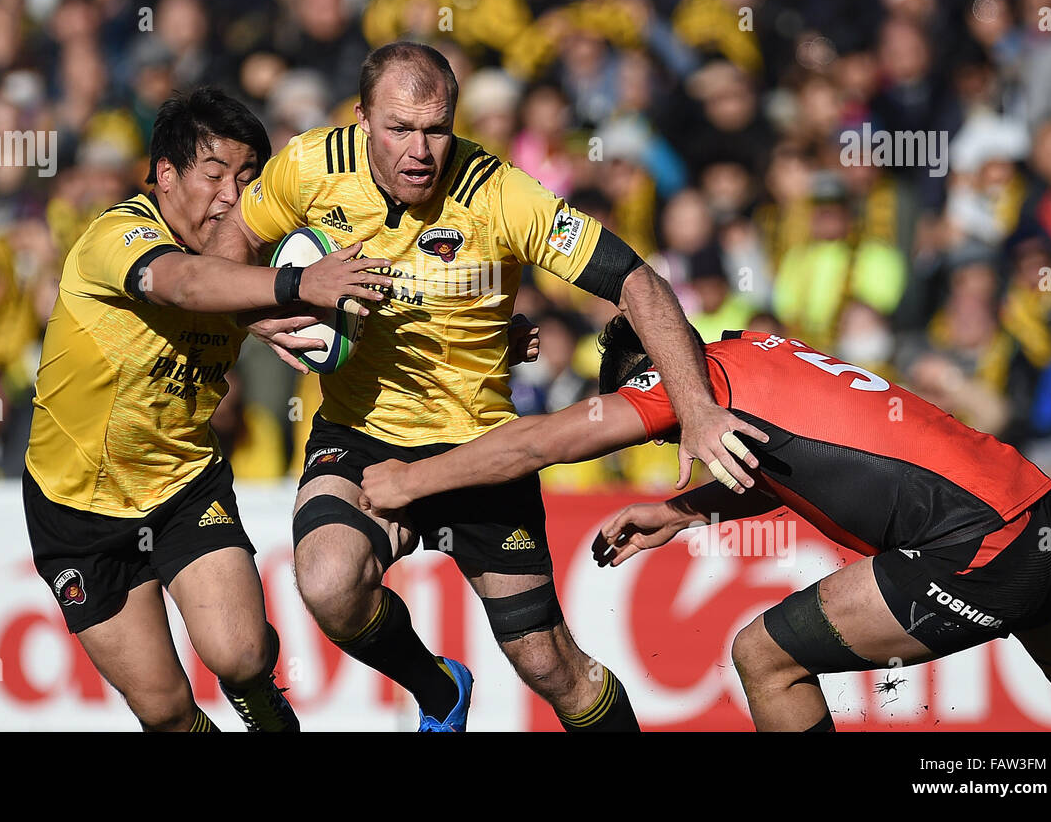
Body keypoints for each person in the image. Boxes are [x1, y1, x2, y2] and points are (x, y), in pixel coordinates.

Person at [208, 41, 766, 731]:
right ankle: (438, 688)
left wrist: (698, 408)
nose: (420, 149)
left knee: (552, 668)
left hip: (483, 449)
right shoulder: (309, 165)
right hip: (359, 433)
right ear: (360, 121)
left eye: (436, 129)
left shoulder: (500, 193)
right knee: (327, 584)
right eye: (399, 128)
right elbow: (229, 239)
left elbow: (637, 280)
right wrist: (266, 316)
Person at [361, 317, 1051, 730]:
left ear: (649, 373)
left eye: (653, 426)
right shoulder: (759, 352)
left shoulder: (688, 379)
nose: (661, 436)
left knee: (765, 656)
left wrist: (410, 478)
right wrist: (681, 509)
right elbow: (797, 459)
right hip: (1039, 513)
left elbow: (542, 441)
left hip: (976, 545)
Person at [22, 86, 392, 732]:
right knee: (165, 709)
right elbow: (186, 285)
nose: (231, 194)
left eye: (248, 178)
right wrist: (299, 285)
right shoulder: (118, 234)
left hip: (182, 485)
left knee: (243, 653)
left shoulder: (250, 258)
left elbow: (317, 309)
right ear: (165, 175)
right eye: (214, 172)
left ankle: (263, 708)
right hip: (73, 506)